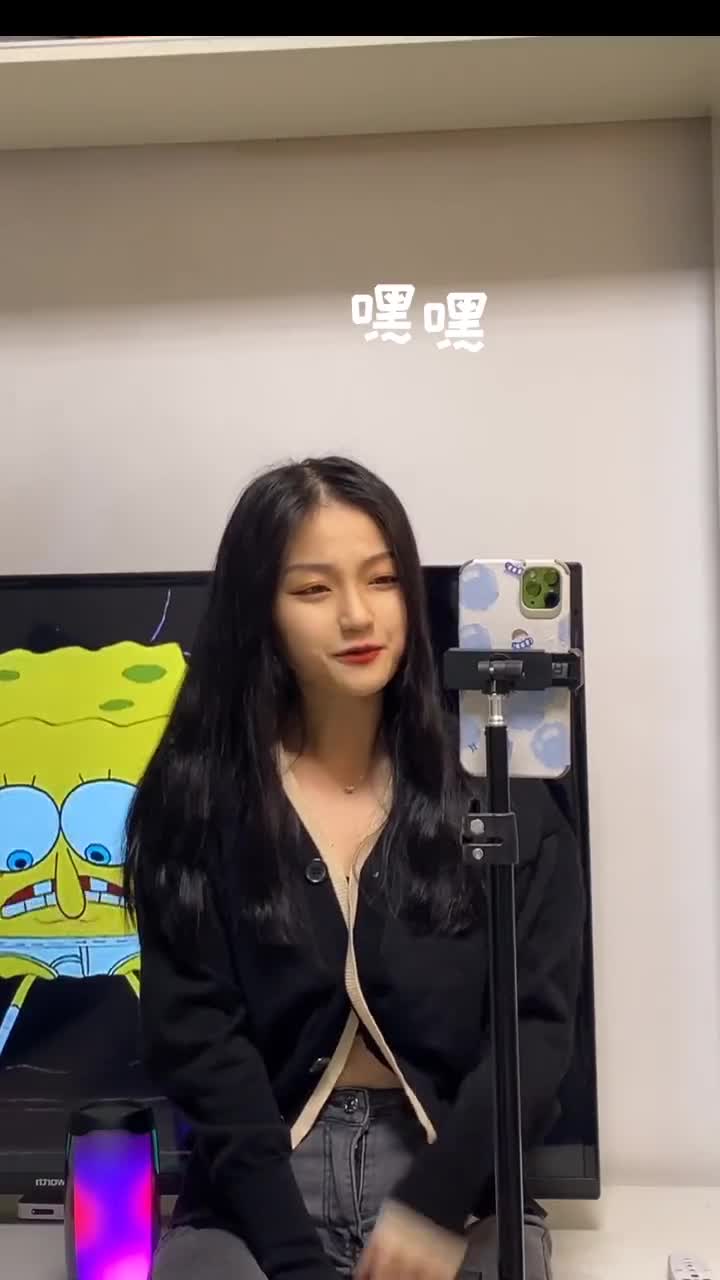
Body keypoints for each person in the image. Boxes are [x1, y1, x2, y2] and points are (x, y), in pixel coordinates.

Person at [123, 455, 586, 1280]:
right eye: (313, 589)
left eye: (382, 579)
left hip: (457, 1182)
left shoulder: (502, 791)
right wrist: (292, 1256)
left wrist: (438, 1202)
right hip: (255, 1194)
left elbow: (536, 1029)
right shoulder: (196, 799)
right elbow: (200, 1045)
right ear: (259, 610)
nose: (356, 615)